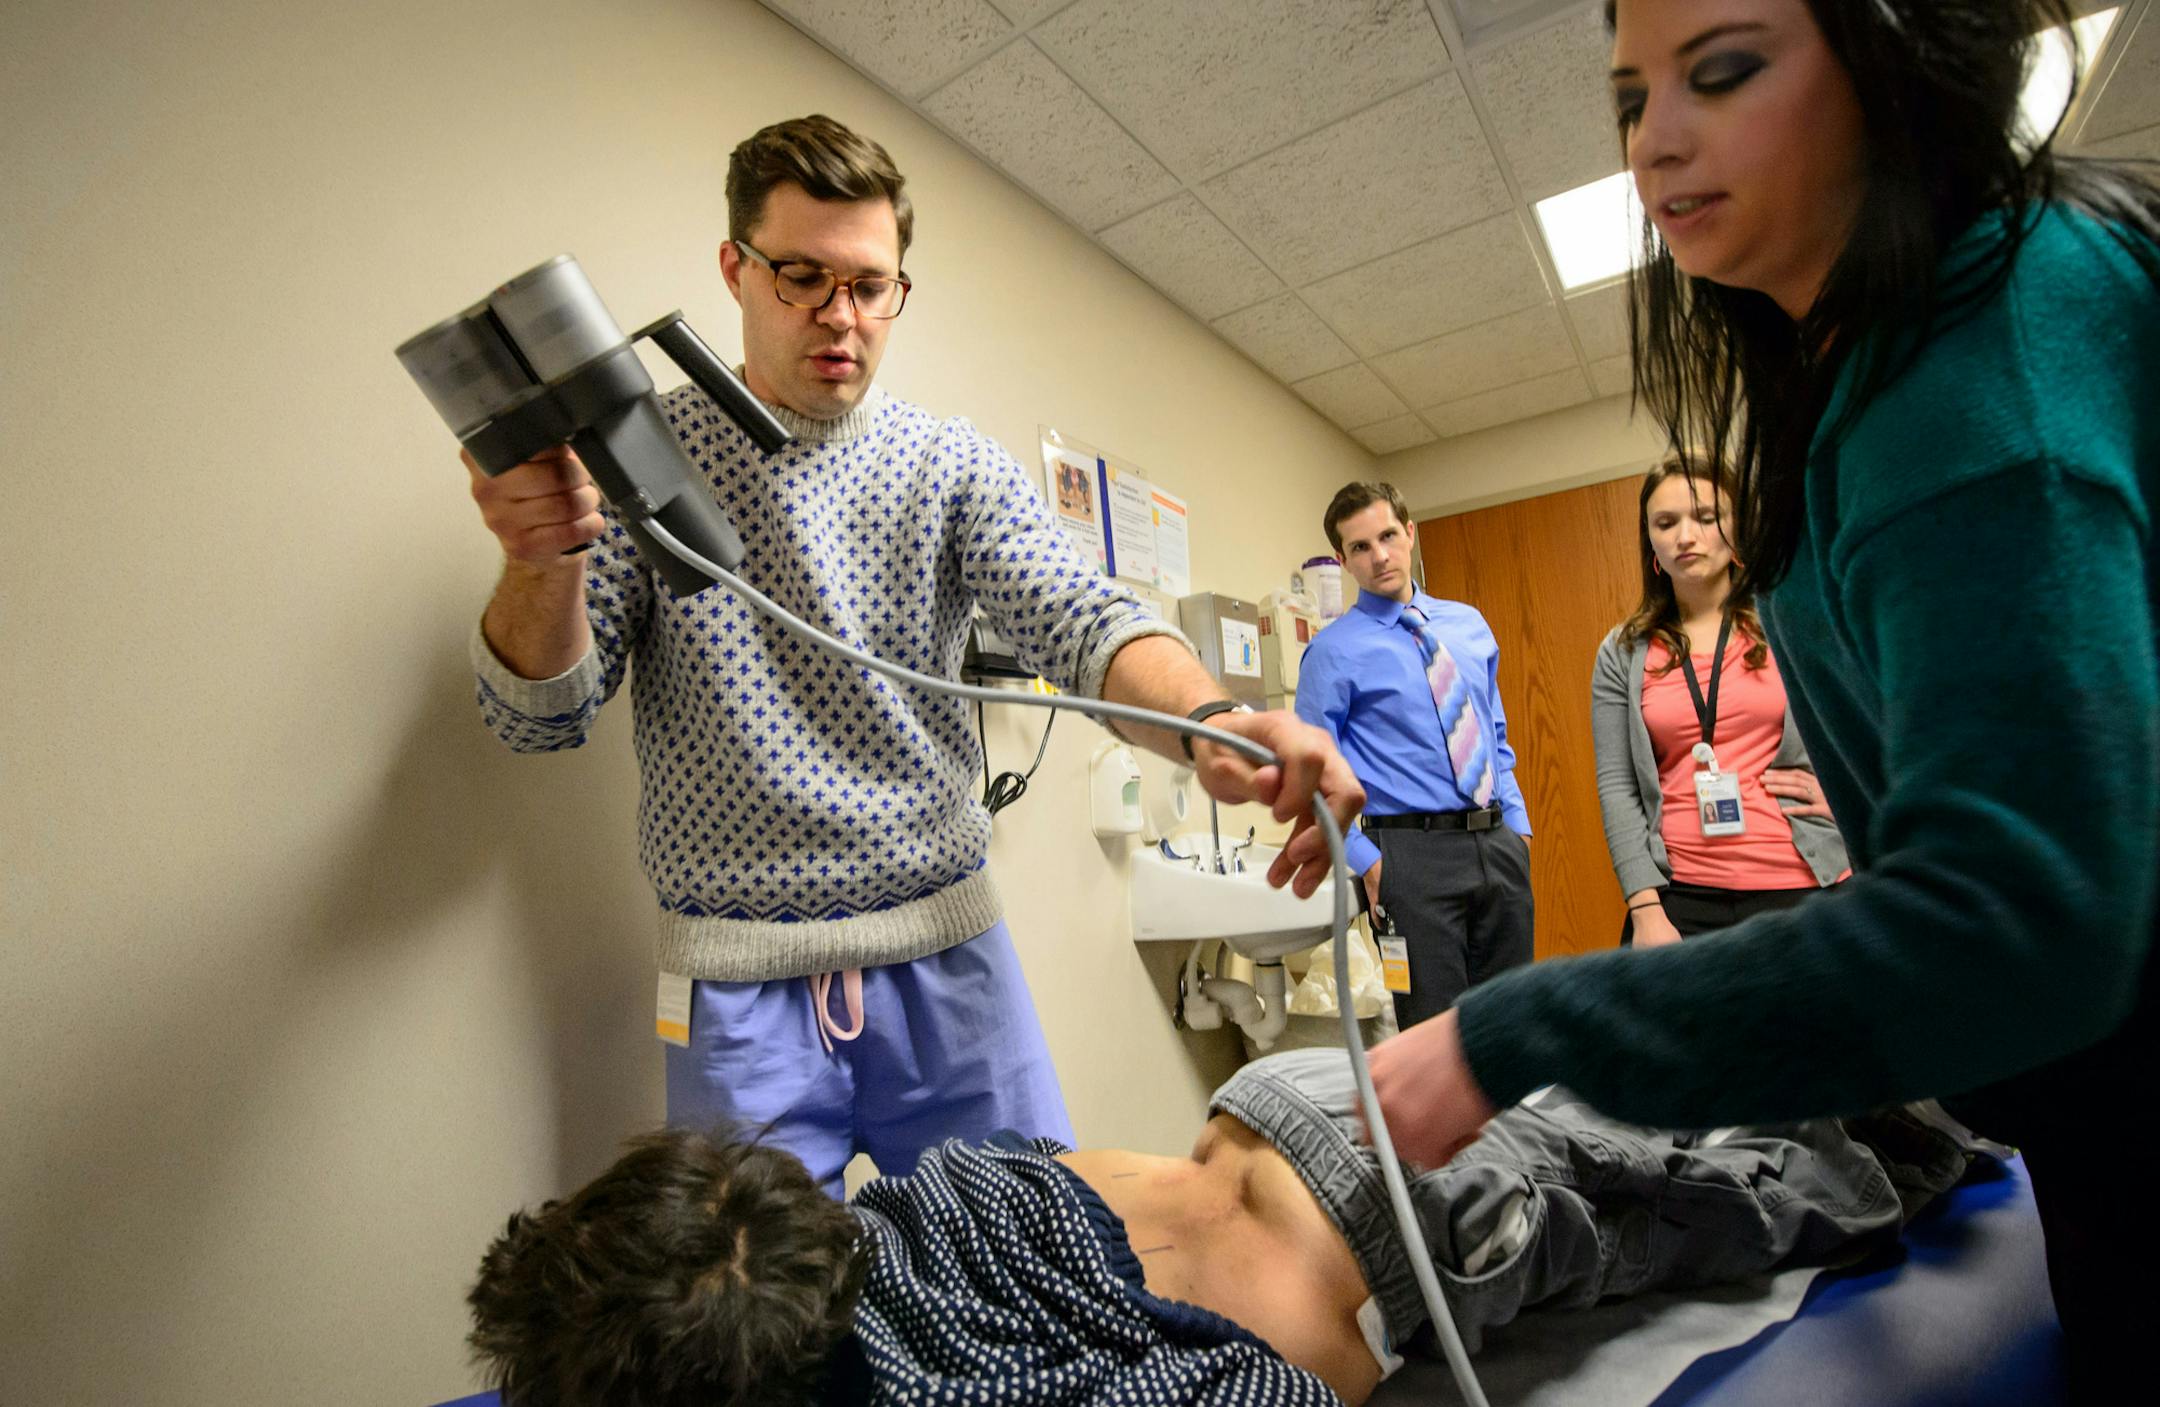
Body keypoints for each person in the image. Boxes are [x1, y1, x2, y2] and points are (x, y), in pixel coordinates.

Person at [1368, 2, 2158, 1395]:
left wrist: (1520, 1029)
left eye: (1723, 72)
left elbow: (2015, 914)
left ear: (1896, 64)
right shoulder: (1861, 373)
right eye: (1631, 99)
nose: (1656, 140)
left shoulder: (1982, 370)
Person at [462, 114, 1361, 1195]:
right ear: (733, 271)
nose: (843, 318)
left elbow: (1078, 615)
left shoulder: (946, 464)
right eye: (803, 277)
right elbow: (537, 717)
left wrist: (1209, 724)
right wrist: (543, 558)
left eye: (872, 286)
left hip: (948, 966)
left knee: (1031, 1273)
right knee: (752, 1336)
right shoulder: (643, 462)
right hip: (737, 992)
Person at [466, 1047, 1979, 1407]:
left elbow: (1276, 1384)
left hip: (1416, 1222)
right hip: (1279, 1097)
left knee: (1760, 1187)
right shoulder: (886, 1209)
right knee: (1644, 1091)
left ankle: (1959, 1104)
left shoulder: (963, 1385)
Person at [1295, 482, 1534, 1028]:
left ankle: (1511, 1120)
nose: (1379, 556)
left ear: (1410, 532)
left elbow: (1494, 734)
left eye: (1386, 536)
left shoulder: (1468, 626)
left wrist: (1517, 830)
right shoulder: (1333, 653)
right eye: (1359, 547)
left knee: (1515, 1022)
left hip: (1497, 844)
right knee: (1435, 1037)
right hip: (1409, 857)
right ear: (1343, 561)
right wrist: (1367, 861)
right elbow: (1311, 773)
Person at [1593, 453, 1849, 947]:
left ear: (1734, 529)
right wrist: (1645, 910)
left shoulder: (1792, 622)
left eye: (1705, 518)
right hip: (1680, 901)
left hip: (1801, 886)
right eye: (1666, 523)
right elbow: (1617, 786)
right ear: (1651, 543)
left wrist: (1852, 802)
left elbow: (1866, 723)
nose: (1685, 536)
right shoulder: (1622, 651)